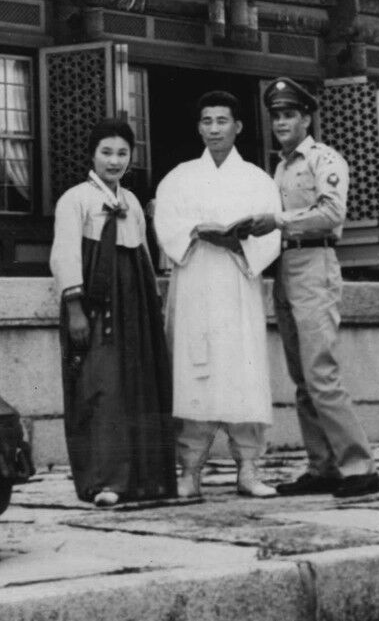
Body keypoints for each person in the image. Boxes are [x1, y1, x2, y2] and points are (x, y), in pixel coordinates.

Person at [246, 78, 379, 498]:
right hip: (284, 265)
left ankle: (359, 466)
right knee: (301, 375)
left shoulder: (324, 159)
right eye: (277, 116)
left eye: (290, 114)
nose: (282, 122)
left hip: (315, 261)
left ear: (306, 118)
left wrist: (279, 221)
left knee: (320, 369)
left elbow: (331, 212)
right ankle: (322, 466)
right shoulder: (281, 166)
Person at [153, 91, 283, 499]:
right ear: (199, 127)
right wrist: (194, 232)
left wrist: (238, 244)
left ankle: (248, 468)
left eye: (222, 121)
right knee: (194, 374)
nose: (214, 129)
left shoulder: (258, 180)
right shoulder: (179, 177)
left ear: (238, 127)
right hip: (194, 282)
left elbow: (272, 231)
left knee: (243, 373)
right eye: (206, 121)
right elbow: (168, 225)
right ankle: (190, 471)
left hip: (237, 283)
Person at [50, 118, 176, 507]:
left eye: (123, 153)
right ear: (92, 154)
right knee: (100, 386)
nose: (114, 160)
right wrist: (75, 309)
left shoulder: (132, 202)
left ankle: (143, 478)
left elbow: (142, 255)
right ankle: (105, 480)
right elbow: (66, 254)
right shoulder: (76, 199)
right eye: (107, 151)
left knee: (137, 384)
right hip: (95, 301)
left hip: (133, 300)